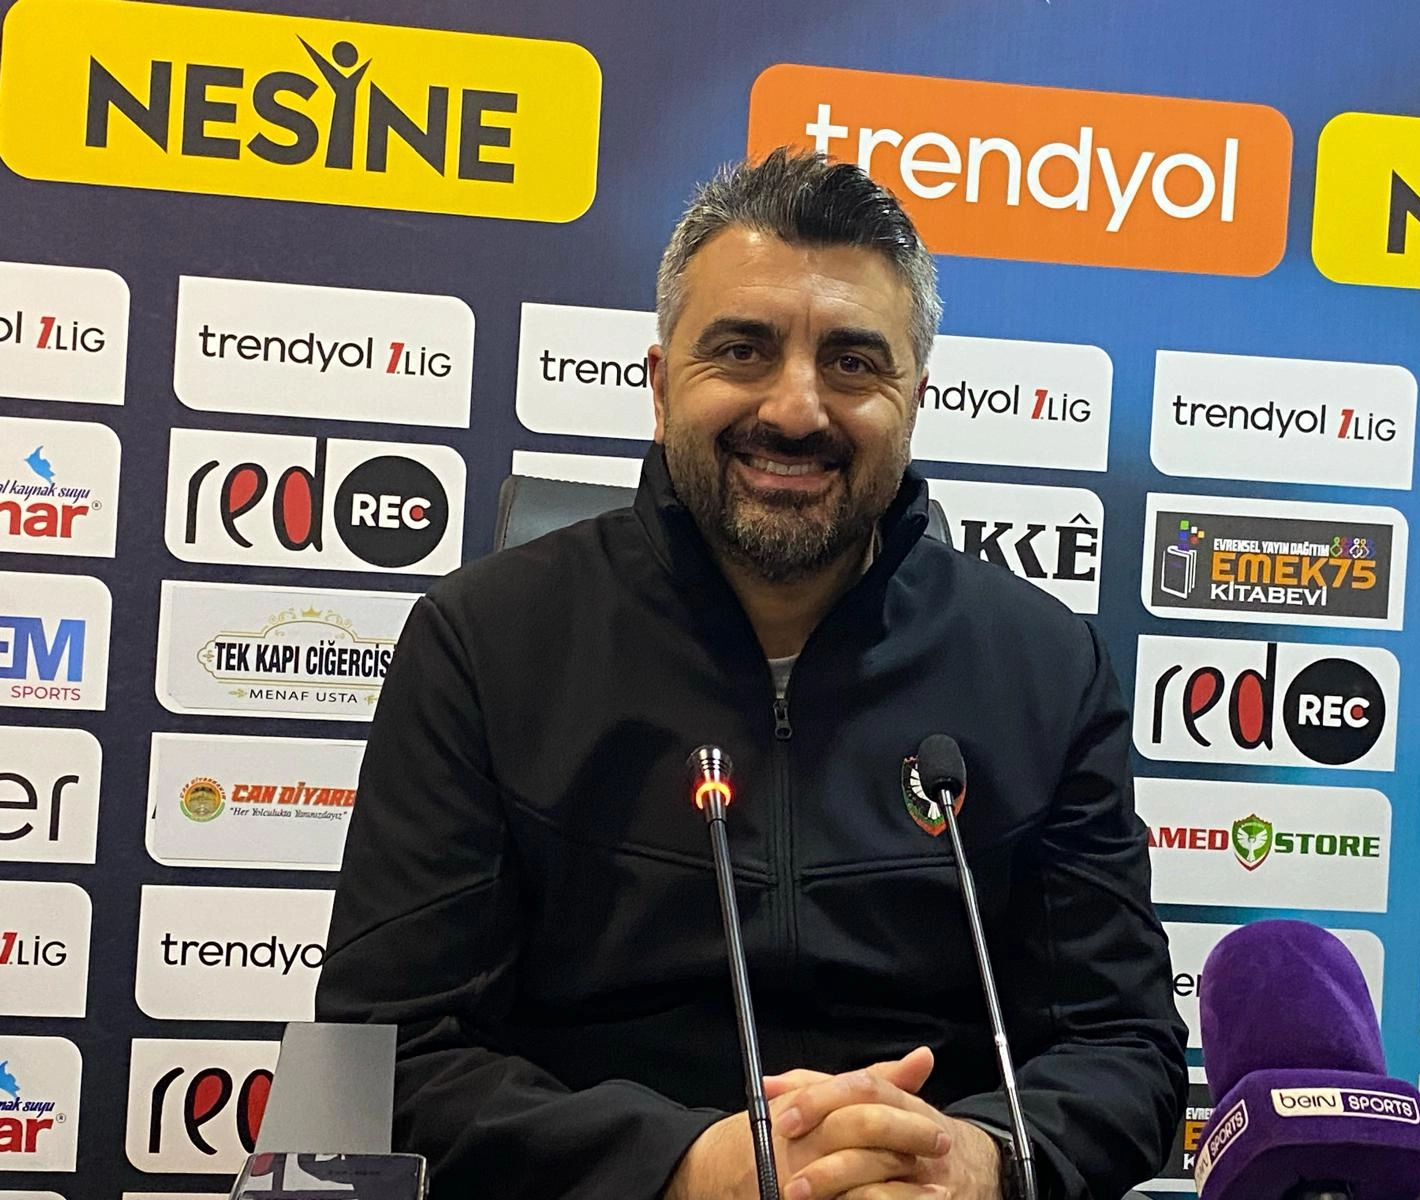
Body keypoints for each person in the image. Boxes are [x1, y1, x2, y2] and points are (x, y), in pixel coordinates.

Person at [316, 148, 1186, 1200]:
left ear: (915, 400)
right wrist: (684, 1168)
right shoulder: (483, 643)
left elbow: (1126, 1050)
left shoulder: (1044, 666)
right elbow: (385, 1056)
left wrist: (979, 1160)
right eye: (742, 350)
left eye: (853, 363)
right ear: (658, 385)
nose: (796, 409)